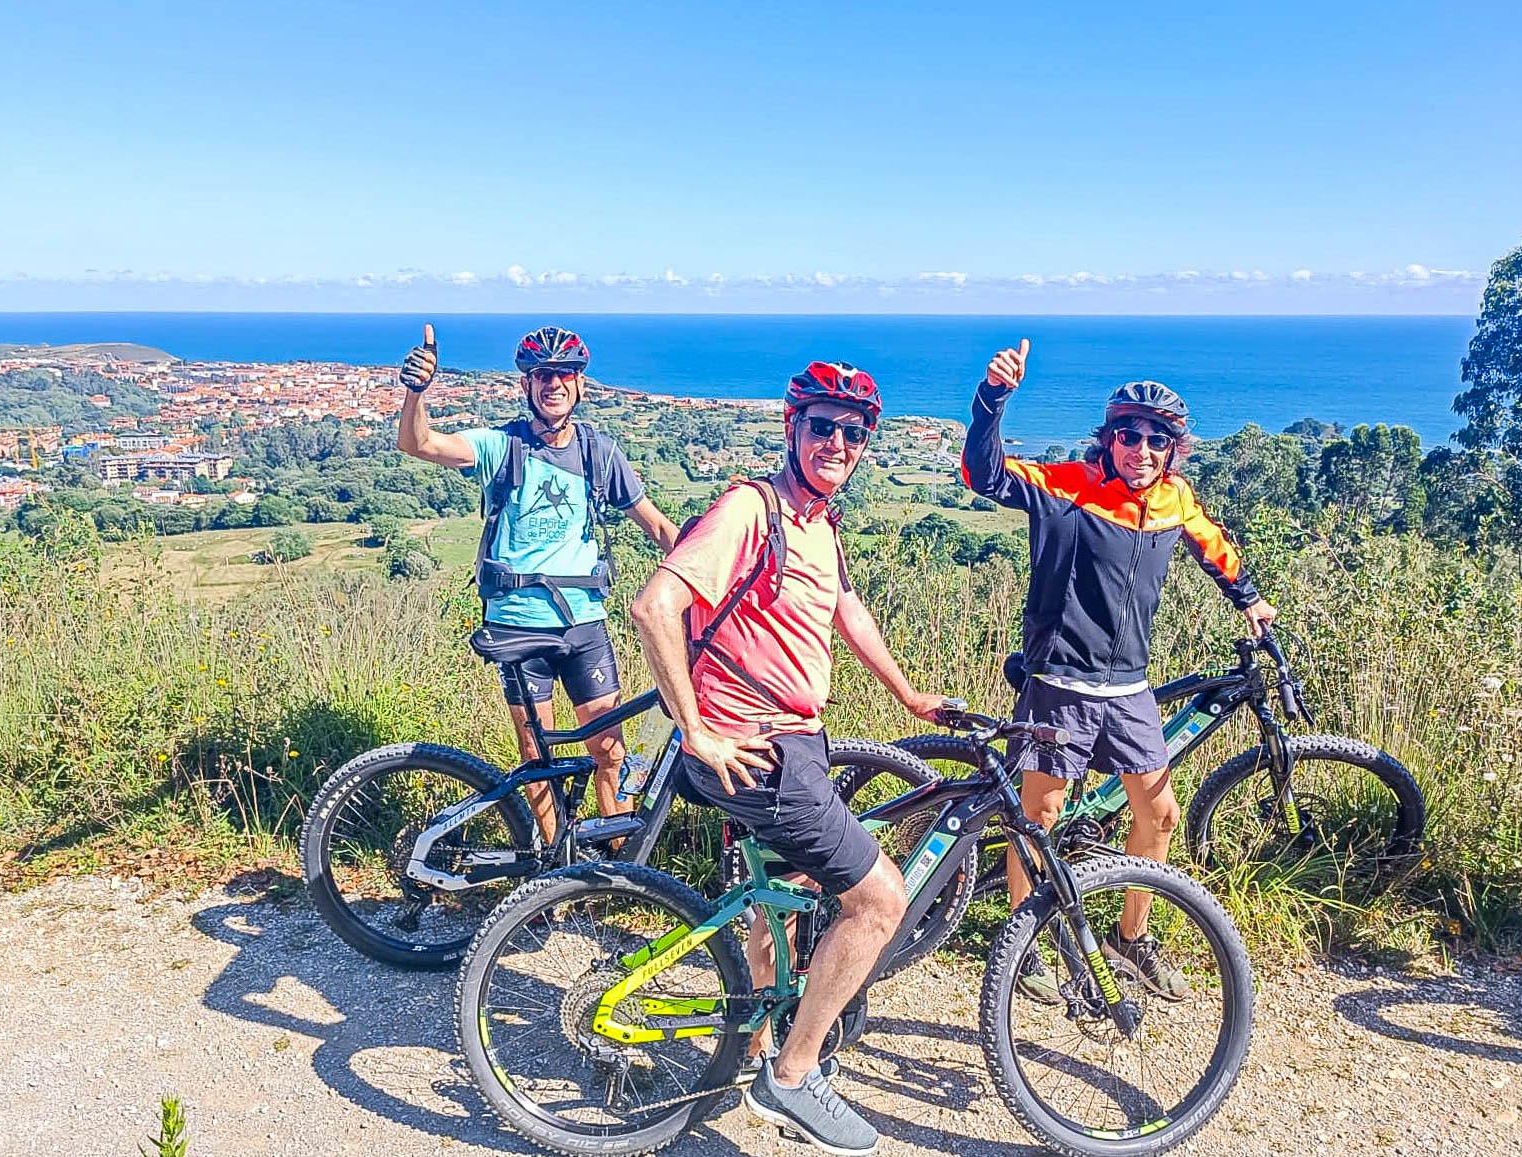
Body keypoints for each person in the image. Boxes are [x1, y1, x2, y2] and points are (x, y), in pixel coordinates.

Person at [630, 361, 943, 1157]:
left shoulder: (816, 521)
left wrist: (907, 693)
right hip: (756, 749)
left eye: (854, 431)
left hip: (789, 743)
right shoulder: (749, 509)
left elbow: (843, 604)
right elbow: (653, 604)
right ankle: (793, 1077)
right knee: (878, 900)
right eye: (823, 426)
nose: (839, 441)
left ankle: (763, 1042)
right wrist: (694, 727)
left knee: (787, 890)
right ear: (792, 428)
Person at [964, 340, 1277, 1000]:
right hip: (1060, 683)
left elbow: (1213, 546)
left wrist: (1248, 598)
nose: (1141, 448)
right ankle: (1026, 945)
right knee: (1039, 817)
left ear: (1171, 449)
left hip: (1129, 686)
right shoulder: (1069, 490)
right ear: (1108, 439)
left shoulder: (1173, 500)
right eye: (1129, 434)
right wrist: (993, 397)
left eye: (1156, 439)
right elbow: (984, 475)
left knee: (1158, 814)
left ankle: (1130, 940)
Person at [396, 323, 678, 841]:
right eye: (543, 375)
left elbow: (658, 525)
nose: (555, 384)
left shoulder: (599, 453)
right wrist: (418, 391)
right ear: (526, 386)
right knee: (536, 753)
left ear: (580, 385)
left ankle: (612, 870)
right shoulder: (502, 445)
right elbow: (419, 444)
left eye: (565, 375)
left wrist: (711, 578)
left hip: (584, 624)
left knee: (609, 750)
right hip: (516, 625)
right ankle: (553, 866)